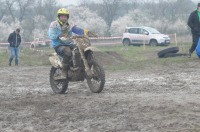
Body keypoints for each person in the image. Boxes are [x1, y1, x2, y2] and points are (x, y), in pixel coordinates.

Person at [48, 8, 90, 78]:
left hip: (69, 44)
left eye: (65, 16)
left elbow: (77, 30)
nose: (64, 18)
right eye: (62, 16)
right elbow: (51, 34)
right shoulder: (54, 24)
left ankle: (77, 67)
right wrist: (58, 35)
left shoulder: (70, 24)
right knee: (68, 52)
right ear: (59, 17)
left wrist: (87, 32)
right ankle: (64, 70)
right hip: (58, 45)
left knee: (79, 49)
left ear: (67, 17)